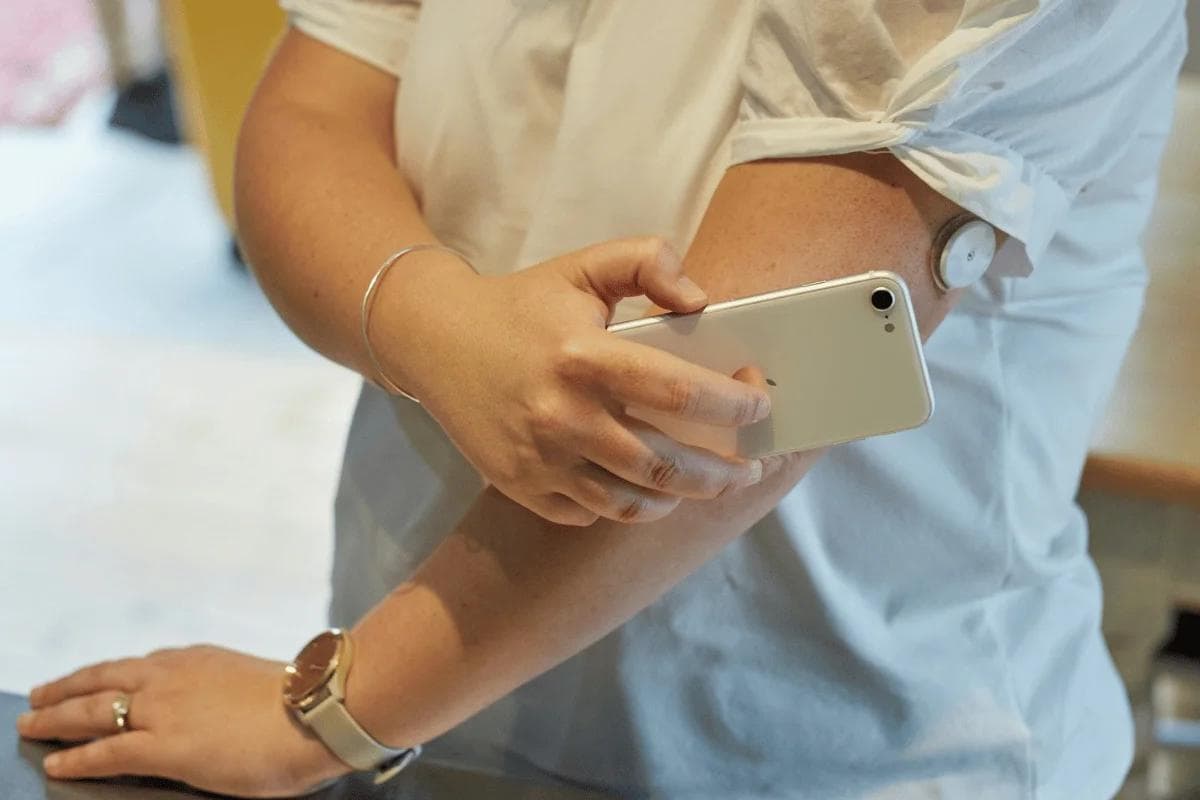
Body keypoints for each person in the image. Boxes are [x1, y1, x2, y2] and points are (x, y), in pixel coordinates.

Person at [16, 1, 1188, 798]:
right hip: (428, 681)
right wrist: (436, 324)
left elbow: (756, 382)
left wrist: (318, 715)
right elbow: (315, 108)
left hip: (843, 745)